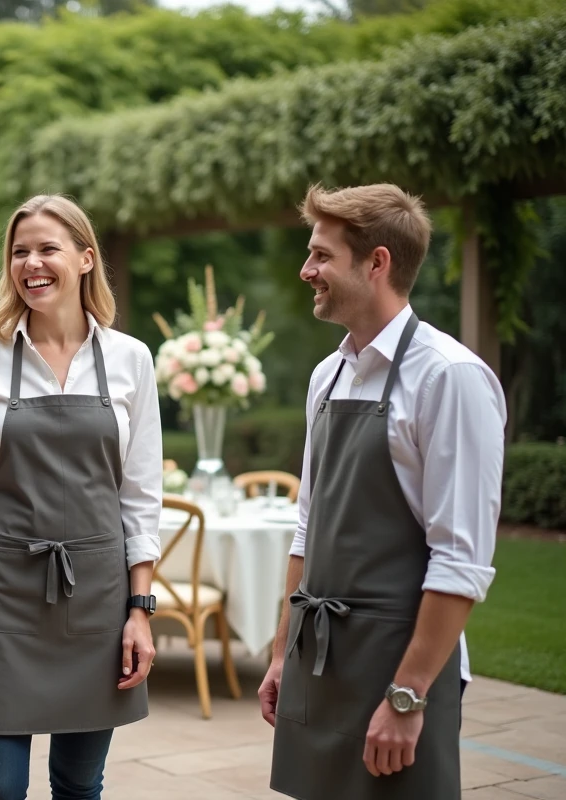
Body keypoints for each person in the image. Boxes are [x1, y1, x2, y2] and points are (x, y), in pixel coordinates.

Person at [259, 184, 504, 800]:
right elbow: (306, 528)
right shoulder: (329, 373)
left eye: (321, 256)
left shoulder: (450, 378)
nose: (305, 270)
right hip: (321, 656)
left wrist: (407, 695)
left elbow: (461, 561)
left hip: (398, 665)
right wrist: (282, 653)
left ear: (377, 263)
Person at [0, 194, 163, 799]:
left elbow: (140, 499)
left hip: (98, 601)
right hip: (2, 600)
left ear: (86, 259)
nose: (30, 263)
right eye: (19, 252)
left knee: (79, 786)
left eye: (46, 249)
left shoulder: (131, 360)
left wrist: (139, 611)